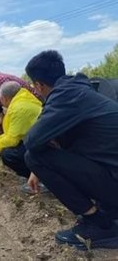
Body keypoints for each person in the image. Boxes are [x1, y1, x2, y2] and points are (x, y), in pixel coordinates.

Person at [24, 50, 118, 249]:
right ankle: (109, 212)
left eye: (35, 86)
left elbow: (32, 140)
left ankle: (100, 225)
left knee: (34, 157)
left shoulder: (65, 95)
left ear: (39, 85)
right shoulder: (81, 89)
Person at [0, 81, 46, 193]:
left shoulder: (18, 108)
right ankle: (33, 175)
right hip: (41, 144)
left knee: (9, 154)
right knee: (6, 148)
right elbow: (12, 134)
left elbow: (12, 140)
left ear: (4, 98)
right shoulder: (25, 100)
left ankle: (42, 181)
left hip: (43, 148)